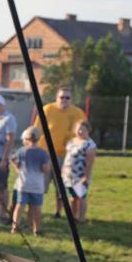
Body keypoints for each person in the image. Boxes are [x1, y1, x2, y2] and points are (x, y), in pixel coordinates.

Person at [37, 87, 85, 217]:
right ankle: (36, 210)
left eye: (67, 98)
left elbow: (84, 132)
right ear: (56, 98)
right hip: (46, 154)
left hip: (67, 156)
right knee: (40, 184)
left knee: (61, 186)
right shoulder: (47, 110)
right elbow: (37, 129)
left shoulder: (78, 113)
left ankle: (58, 212)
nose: (64, 100)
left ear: (71, 99)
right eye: (61, 97)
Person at [11, 126, 51, 235]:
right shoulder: (43, 153)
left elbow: (13, 159)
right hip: (37, 186)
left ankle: (14, 227)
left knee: (19, 206)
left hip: (23, 184)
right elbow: (45, 169)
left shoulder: (22, 150)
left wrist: (17, 168)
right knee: (36, 208)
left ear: (26, 139)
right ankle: (36, 229)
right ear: (38, 138)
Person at [61, 120, 97, 222]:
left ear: (88, 130)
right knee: (73, 197)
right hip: (69, 175)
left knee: (81, 196)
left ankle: (81, 218)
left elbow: (90, 162)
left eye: (83, 129)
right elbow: (67, 156)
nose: (81, 131)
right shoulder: (72, 141)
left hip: (80, 175)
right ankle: (74, 216)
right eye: (79, 129)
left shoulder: (89, 144)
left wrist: (86, 176)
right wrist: (63, 169)